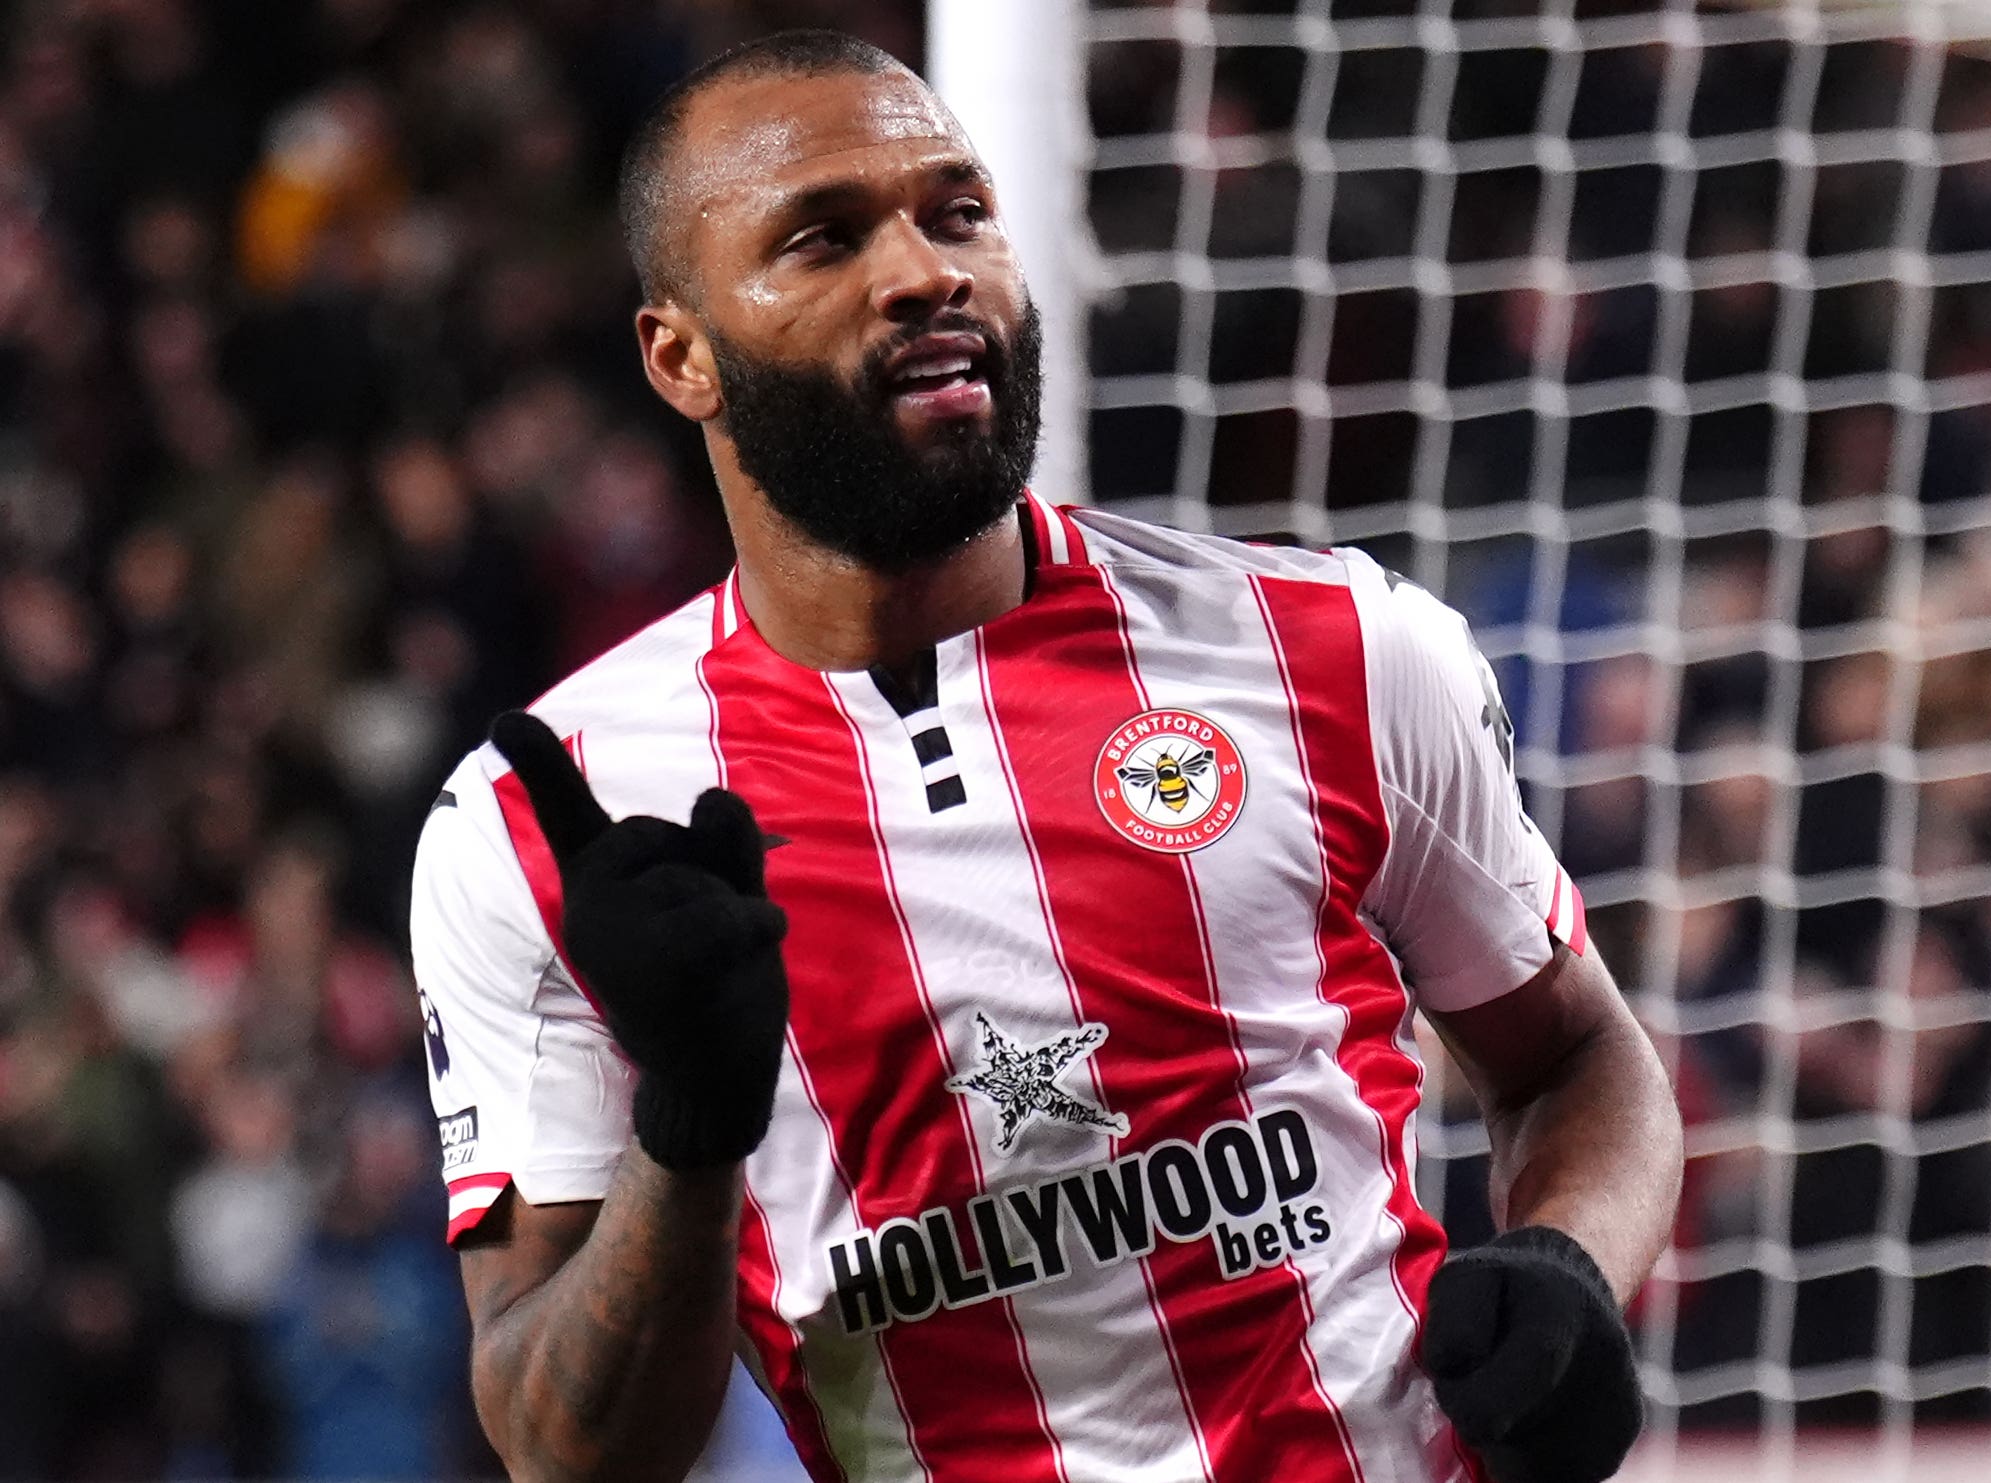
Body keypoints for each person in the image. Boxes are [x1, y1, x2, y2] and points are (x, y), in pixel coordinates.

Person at [410, 29, 1683, 1483]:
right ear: (680, 354)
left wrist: (1568, 1268)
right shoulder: (541, 828)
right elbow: (563, 1450)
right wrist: (686, 1136)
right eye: (825, 238)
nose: (924, 272)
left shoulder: (1335, 648)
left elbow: (1579, 1056)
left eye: (958, 214)